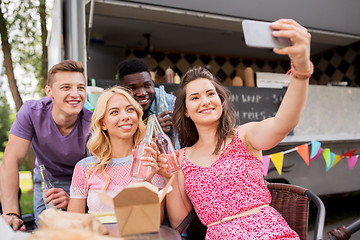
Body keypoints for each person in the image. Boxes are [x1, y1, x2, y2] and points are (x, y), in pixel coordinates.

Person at [164, 19, 312, 239]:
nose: (205, 101)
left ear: (221, 101)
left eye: (210, 94)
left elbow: (284, 123)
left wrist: (301, 71)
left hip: (267, 233)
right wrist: (171, 176)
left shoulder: (245, 135)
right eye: (194, 97)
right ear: (186, 111)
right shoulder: (181, 158)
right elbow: (179, 222)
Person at [0, 60, 93, 230]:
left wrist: (72, 199)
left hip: (83, 186)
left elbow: (99, 176)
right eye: (66, 87)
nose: (75, 94)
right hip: (47, 183)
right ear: (49, 91)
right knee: (47, 230)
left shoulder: (92, 122)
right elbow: (10, 161)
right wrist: (12, 214)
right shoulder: (31, 112)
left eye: (81, 88)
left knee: (79, 231)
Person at [67, 86, 166, 222]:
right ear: (102, 124)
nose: (125, 117)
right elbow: (73, 223)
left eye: (130, 109)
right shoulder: (84, 167)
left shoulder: (151, 162)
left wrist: (147, 182)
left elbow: (155, 222)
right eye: (114, 112)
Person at [116, 58, 180, 149]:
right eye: (133, 88)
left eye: (147, 85)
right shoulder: (116, 109)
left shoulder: (172, 104)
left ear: (153, 84)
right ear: (122, 90)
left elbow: (178, 148)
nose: (142, 93)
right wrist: (148, 132)